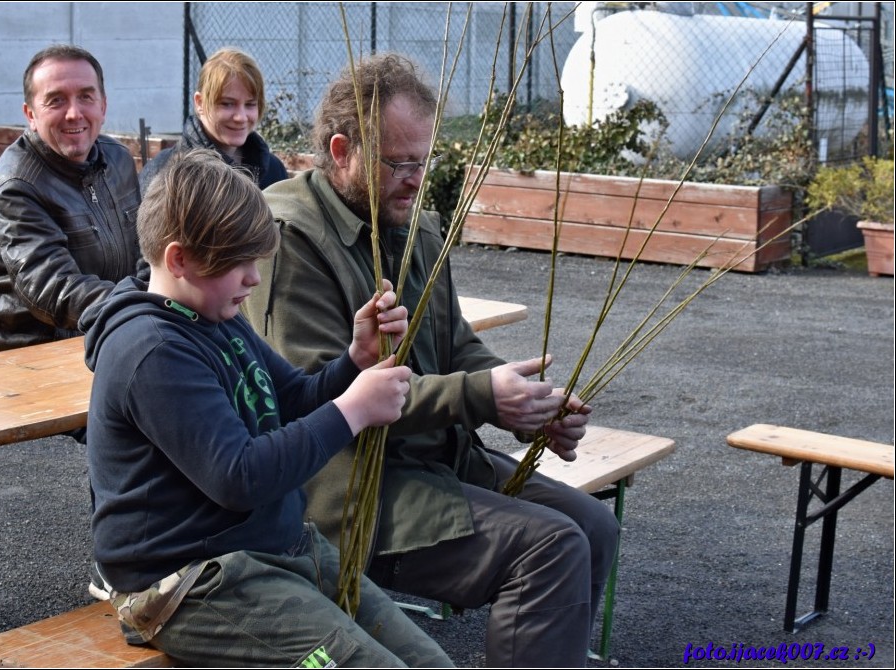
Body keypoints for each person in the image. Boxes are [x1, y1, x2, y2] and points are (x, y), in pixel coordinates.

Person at [244, 53, 620, 668]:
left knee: (593, 526)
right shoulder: (290, 237)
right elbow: (318, 401)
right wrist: (479, 397)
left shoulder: (412, 224)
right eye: (400, 163)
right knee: (549, 548)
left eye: (426, 160)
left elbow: (454, 342)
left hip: (437, 459)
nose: (418, 179)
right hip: (350, 490)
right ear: (341, 151)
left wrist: (526, 403)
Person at [79, 147, 454, 668]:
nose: (254, 278)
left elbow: (295, 399)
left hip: (273, 550)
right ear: (179, 258)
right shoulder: (151, 350)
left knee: (430, 663)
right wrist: (353, 410)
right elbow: (239, 477)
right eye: (240, 262)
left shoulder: (213, 313)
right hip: (189, 584)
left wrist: (353, 361)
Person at [0, 44, 144, 355]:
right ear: (30, 114)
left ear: (103, 105)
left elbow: (147, 251)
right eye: (56, 100)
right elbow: (52, 289)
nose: (74, 113)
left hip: (103, 333)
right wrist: (144, 306)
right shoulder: (16, 186)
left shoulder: (119, 161)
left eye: (86, 96)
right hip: (18, 353)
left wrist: (163, 296)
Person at [138, 47, 287, 195]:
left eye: (250, 104)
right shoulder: (165, 171)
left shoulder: (273, 171)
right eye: (227, 104)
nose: (241, 117)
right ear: (199, 103)